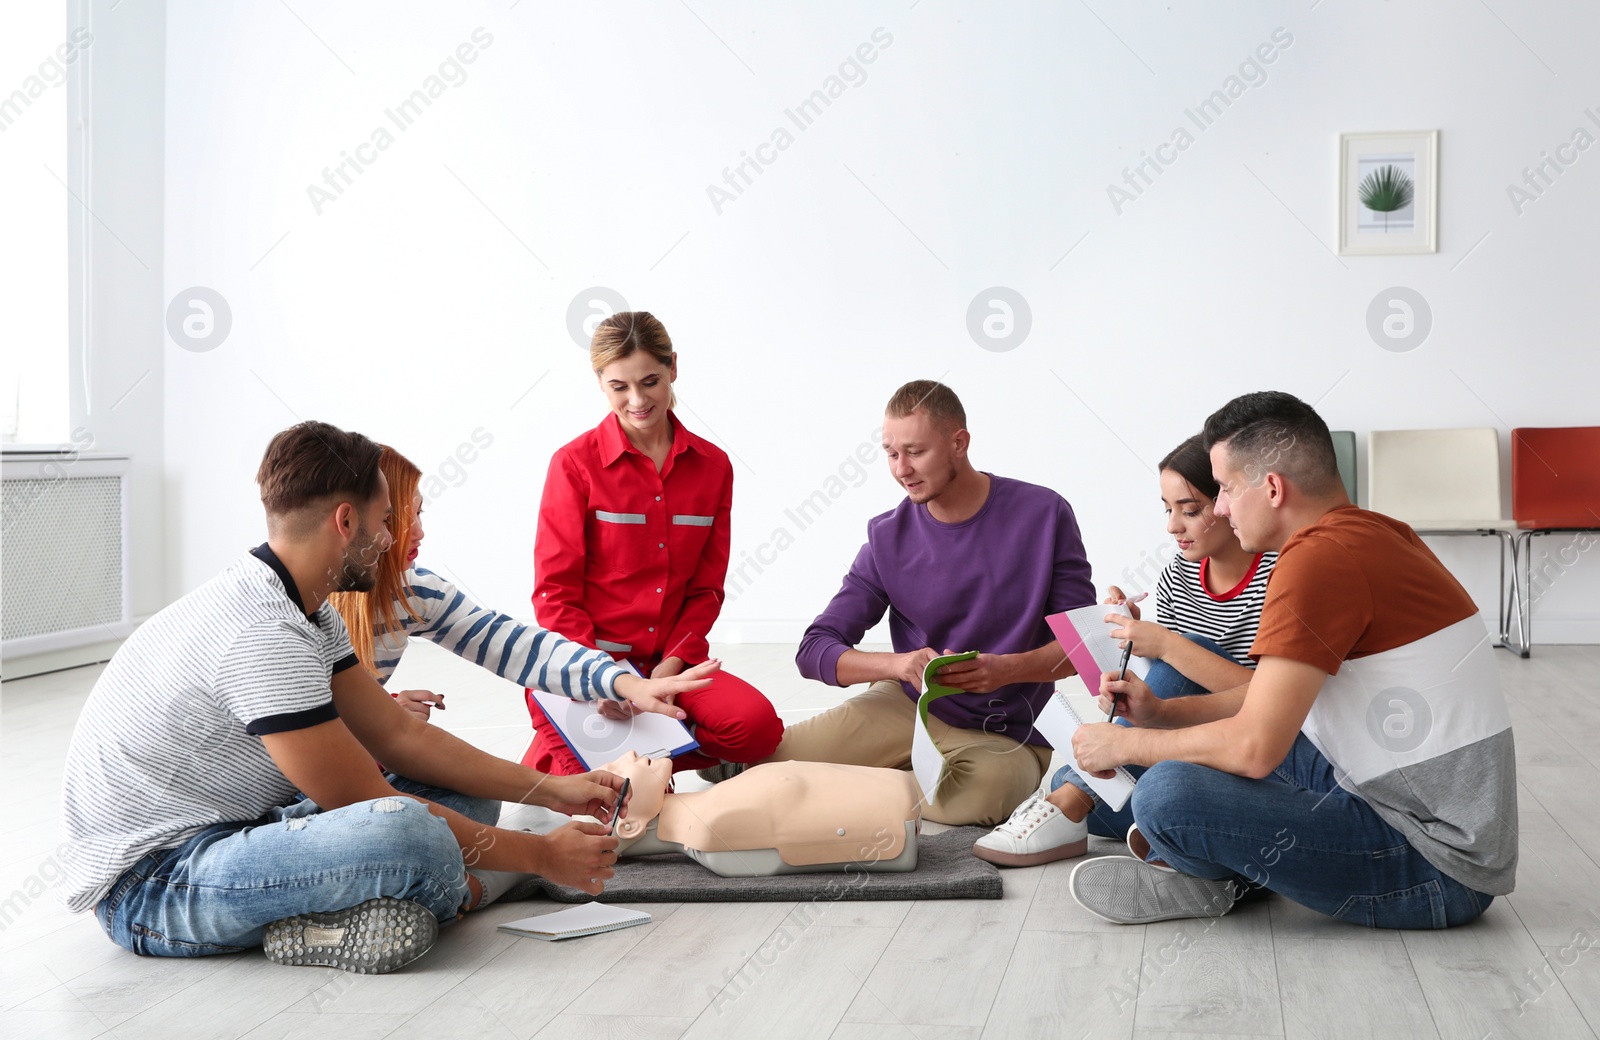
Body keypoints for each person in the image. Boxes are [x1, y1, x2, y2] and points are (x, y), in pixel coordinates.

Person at [59, 422, 680, 974]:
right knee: (406, 831)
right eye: (384, 519)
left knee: (458, 797)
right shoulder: (262, 634)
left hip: (239, 831)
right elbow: (368, 801)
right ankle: (464, 892)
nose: (390, 538)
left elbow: (401, 738)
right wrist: (542, 855)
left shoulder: (305, 609)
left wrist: (550, 790)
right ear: (346, 522)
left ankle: (382, 898)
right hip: (157, 884)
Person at [1066, 391, 1516, 928]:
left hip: (1437, 865)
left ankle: (1213, 873)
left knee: (1166, 792)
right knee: (1170, 734)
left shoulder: (1316, 562)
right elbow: (1276, 703)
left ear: (1273, 488)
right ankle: (1212, 858)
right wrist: (1161, 716)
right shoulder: (1376, 533)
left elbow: (1256, 750)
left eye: (1227, 489)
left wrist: (1132, 742)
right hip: (1379, 788)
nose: (1223, 506)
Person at [766, 379, 1096, 826]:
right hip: (907, 707)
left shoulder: (1044, 514)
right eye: (890, 453)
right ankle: (892, 781)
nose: (902, 469)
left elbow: (1083, 648)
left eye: (915, 452)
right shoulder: (887, 536)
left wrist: (1007, 670)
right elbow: (815, 649)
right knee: (775, 758)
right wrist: (897, 666)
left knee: (980, 801)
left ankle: (854, 784)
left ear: (958, 443)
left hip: (1004, 730)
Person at [974, 433, 1277, 865]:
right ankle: (1141, 821)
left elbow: (1271, 695)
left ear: (1229, 502)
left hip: (1250, 746)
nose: (1173, 526)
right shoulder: (1178, 576)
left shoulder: (1278, 575)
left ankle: (1071, 800)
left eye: (1190, 511)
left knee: (1095, 785)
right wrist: (1125, 645)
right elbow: (1165, 687)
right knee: (1102, 792)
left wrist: (1168, 645)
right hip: (1186, 747)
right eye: (1168, 509)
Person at [524, 311, 783, 777]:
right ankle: (566, 752)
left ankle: (653, 751)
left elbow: (706, 588)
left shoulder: (713, 466)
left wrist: (670, 667)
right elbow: (554, 593)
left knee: (759, 731)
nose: (638, 400)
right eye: (620, 387)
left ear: (673, 369)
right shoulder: (573, 465)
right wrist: (604, 680)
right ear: (600, 383)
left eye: (650, 381)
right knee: (618, 804)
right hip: (590, 669)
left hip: (672, 665)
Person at [328, 445, 711, 724]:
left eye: (420, 512)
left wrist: (623, 682)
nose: (420, 532)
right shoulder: (301, 603)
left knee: (470, 799)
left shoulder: (416, 594)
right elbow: (299, 724)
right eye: (397, 517)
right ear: (351, 520)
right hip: (295, 772)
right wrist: (380, 719)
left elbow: (515, 646)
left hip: (347, 756)